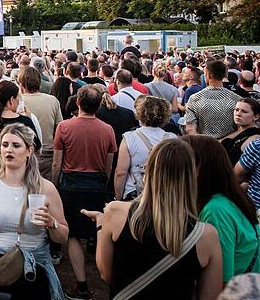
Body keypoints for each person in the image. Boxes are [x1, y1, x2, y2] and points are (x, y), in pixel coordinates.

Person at [82, 139, 222, 300]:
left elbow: (106, 274)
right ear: (190, 177)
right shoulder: (207, 235)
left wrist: (100, 223)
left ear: (148, 172)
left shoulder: (115, 212)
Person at [0, 123, 68, 298]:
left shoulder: (46, 189)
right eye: (5, 144)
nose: (9, 150)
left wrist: (52, 223)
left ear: (29, 151)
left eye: (16, 145)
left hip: (34, 272)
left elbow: (63, 236)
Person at [51, 85, 116, 299]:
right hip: (96, 183)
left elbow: (56, 163)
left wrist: (54, 184)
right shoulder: (107, 129)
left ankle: (81, 284)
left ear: (78, 103)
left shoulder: (64, 126)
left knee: (74, 235)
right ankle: (104, 276)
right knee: (99, 231)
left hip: (70, 184)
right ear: (99, 105)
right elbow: (109, 165)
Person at [184, 135, 260, 283]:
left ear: (200, 168)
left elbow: (221, 280)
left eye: (183, 164)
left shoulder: (215, 211)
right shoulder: (227, 198)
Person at [0, 81, 42, 180]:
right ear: (12, 100)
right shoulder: (25, 122)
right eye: (18, 97)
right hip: (19, 177)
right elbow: (35, 150)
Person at [114, 96, 177, 201]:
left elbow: (120, 172)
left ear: (140, 113)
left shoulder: (130, 137)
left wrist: (118, 198)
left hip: (135, 193)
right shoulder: (172, 138)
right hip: (163, 194)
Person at [19, 66, 62, 179]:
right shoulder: (52, 100)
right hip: (47, 154)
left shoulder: (18, 102)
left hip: (24, 153)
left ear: (21, 83)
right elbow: (58, 128)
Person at [186, 59, 241, 138]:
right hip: (229, 146)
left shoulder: (194, 99)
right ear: (225, 75)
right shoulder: (237, 99)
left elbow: (190, 130)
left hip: (203, 145)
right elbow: (242, 128)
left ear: (208, 75)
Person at [220, 98, 260, 165]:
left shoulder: (254, 138)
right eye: (236, 110)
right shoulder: (237, 131)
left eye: (244, 111)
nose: (238, 114)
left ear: (256, 117)